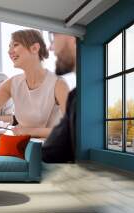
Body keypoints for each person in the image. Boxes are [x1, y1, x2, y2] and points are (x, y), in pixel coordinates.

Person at [42, 32, 77, 163]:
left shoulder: (80, 98)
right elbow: (52, 151)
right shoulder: (75, 97)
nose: (51, 48)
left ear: (73, 38)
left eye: (53, 37)